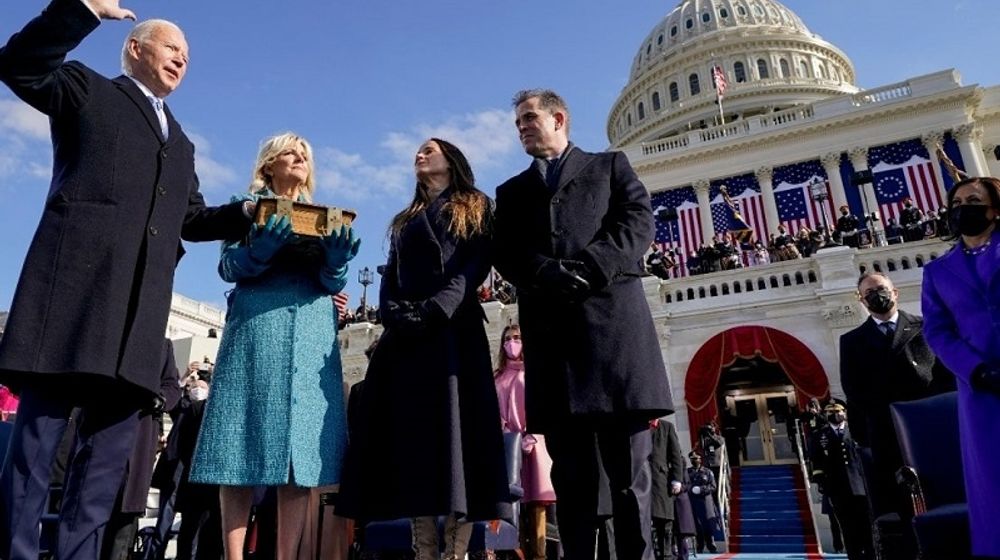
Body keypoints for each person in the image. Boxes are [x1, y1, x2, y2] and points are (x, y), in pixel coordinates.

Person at [0, 4, 254, 558]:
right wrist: (79, 9)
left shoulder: (182, 141)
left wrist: (251, 213)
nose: (182, 57)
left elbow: (193, 217)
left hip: (136, 322)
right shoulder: (87, 90)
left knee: (101, 475)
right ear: (135, 49)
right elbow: (20, 63)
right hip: (72, 304)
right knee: (35, 456)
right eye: (171, 47)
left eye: (187, 54)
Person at [493, 89, 673, 560]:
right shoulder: (510, 193)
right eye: (518, 123)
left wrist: (591, 266)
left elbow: (637, 224)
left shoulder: (610, 166)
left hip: (615, 342)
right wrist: (543, 271)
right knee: (571, 483)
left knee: (630, 479)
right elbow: (506, 252)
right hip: (555, 353)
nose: (522, 127)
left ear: (559, 118)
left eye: (530, 118)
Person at [189, 132, 360, 560]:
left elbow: (331, 283)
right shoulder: (243, 205)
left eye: (305, 154)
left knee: (299, 458)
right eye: (290, 151)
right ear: (268, 164)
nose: (300, 158)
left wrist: (337, 264)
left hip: (311, 333)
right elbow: (227, 266)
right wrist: (257, 252)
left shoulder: (326, 216)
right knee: (238, 443)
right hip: (256, 330)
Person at [339, 138, 511, 560]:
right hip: (408, 342)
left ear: (450, 160)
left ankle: (454, 552)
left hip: (455, 335)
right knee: (412, 443)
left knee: (459, 442)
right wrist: (395, 314)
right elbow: (390, 274)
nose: (419, 155)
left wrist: (438, 308)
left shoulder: (476, 205)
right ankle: (423, 548)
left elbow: (475, 265)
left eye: (428, 150)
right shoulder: (405, 219)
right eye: (417, 151)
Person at [921, 176, 1000, 558]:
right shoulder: (937, 272)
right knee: (993, 484)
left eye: (972, 200)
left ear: (994, 208)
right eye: (955, 203)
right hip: (983, 391)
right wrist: (977, 370)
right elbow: (937, 332)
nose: (962, 208)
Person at [839, 271, 954, 516]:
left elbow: (946, 376)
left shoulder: (924, 327)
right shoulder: (852, 340)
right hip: (887, 433)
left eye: (880, 288)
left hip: (930, 426)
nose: (876, 295)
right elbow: (853, 389)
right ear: (861, 300)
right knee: (899, 507)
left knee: (944, 499)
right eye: (868, 293)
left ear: (895, 292)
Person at [101, 340, 181, 560]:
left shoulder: (162, 345)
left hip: (139, 441)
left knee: (123, 526)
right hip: (102, 435)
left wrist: (159, 399)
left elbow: (172, 386)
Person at [493, 324, 555, 560]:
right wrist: (506, 432)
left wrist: (529, 434)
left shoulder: (534, 372)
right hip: (507, 446)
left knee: (536, 506)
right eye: (507, 338)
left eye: (517, 337)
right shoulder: (497, 376)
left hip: (534, 443)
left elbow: (541, 405)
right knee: (510, 504)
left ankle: (539, 555)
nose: (512, 342)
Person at [808, 403, 872, 560]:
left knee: (866, 526)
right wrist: (822, 483)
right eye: (831, 412)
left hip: (860, 487)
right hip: (837, 489)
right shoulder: (819, 435)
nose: (835, 414)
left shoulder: (856, 431)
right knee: (848, 528)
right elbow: (816, 461)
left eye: (838, 411)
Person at [648, 419, 683, 560]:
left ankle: (666, 555)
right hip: (639, 481)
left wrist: (677, 480)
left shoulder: (667, 427)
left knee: (664, 522)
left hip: (661, 482)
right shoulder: (636, 425)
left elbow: (675, 456)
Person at [685, 452, 718, 554]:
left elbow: (713, 486)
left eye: (696, 458)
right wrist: (691, 489)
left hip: (705, 502)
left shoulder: (707, 472)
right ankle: (700, 545)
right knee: (696, 524)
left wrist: (701, 489)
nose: (694, 460)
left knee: (707, 523)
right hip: (693, 502)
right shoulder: (687, 472)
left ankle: (711, 544)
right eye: (692, 459)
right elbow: (685, 485)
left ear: (700, 459)